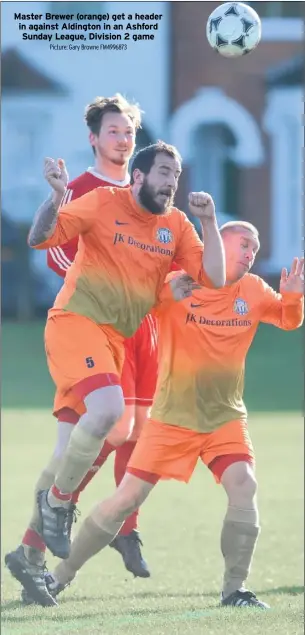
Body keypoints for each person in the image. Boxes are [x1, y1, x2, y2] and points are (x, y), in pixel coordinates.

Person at [5, 139, 225, 606]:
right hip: (74, 323)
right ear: (139, 176)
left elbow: (216, 279)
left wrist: (209, 223)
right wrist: (56, 194)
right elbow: (40, 237)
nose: (172, 182)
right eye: (164, 172)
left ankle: (28, 554)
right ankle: (58, 505)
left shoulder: (177, 225)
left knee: (72, 448)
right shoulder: (103, 202)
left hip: (114, 343)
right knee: (108, 413)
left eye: (177, 174)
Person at [41, 222, 303, 609]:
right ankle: (58, 577)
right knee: (125, 499)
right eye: (244, 244)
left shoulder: (254, 290)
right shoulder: (180, 284)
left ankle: (235, 591)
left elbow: (288, 319)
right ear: (217, 243)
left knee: (244, 485)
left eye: (255, 247)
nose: (251, 252)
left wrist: (294, 298)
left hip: (224, 418)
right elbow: (133, 310)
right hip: (171, 419)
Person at [11, 95, 158, 588]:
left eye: (128, 131)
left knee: (126, 434)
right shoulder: (81, 191)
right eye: (112, 131)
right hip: (89, 326)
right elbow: (55, 254)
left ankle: (39, 553)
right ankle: (41, 541)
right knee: (99, 431)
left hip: (137, 332)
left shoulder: (149, 194)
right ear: (93, 139)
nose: (122, 139)